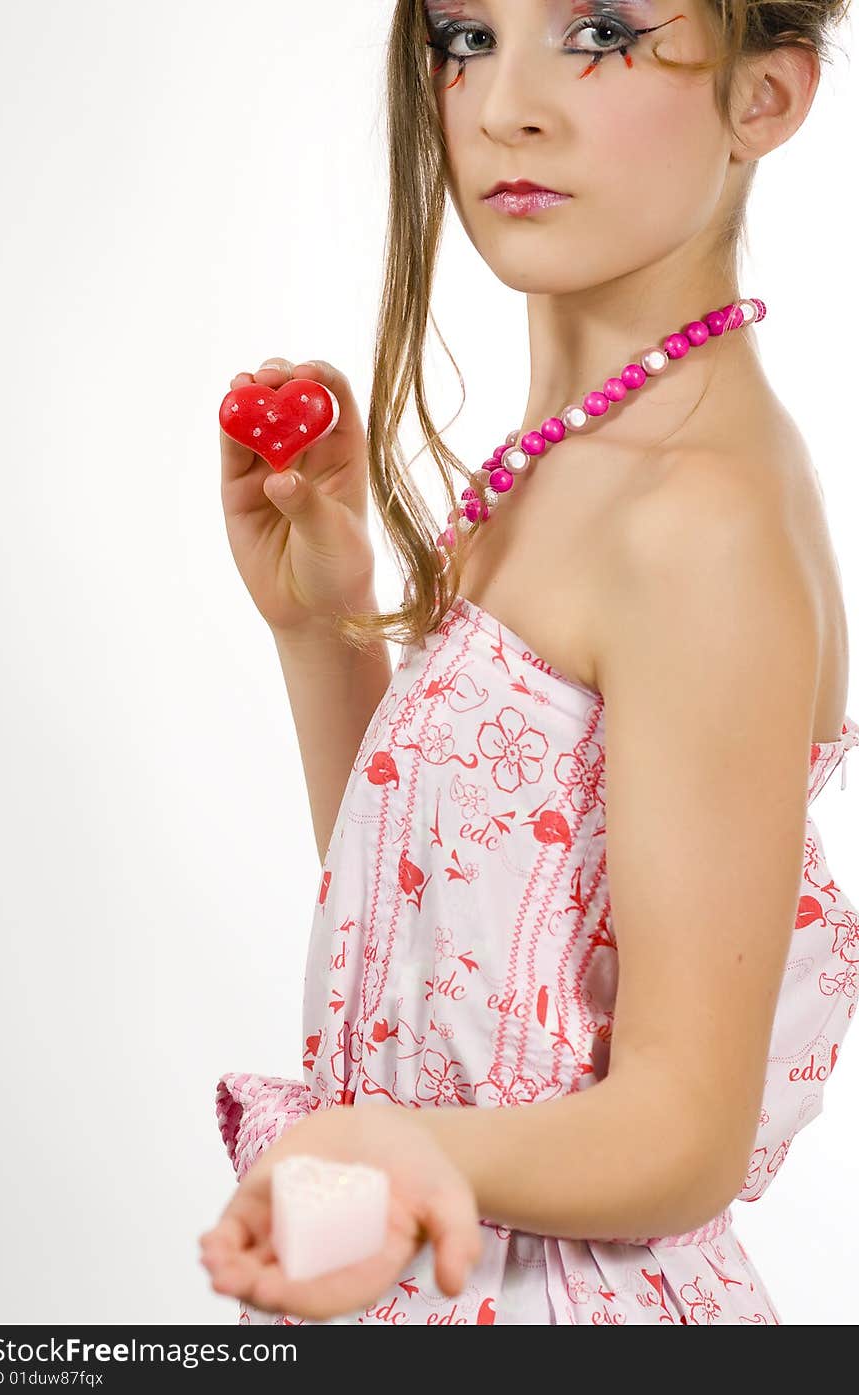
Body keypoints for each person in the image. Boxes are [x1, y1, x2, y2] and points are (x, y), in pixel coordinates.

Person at [199, 0, 858, 1325]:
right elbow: (459, 954)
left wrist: (396, 1151)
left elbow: (684, 1131)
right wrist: (323, 629)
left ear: (765, 98)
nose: (504, 106)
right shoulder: (565, 459)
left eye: (601, 29)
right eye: (464, 38)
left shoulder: (699, 517)